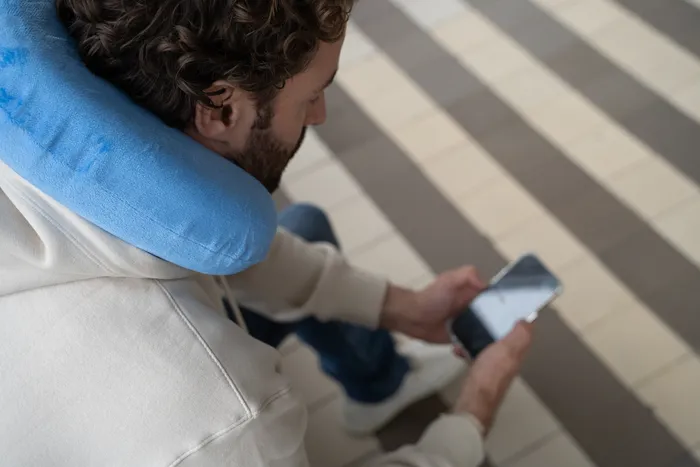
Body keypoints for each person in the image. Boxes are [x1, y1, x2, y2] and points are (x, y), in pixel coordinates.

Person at [0, 1, 533, 466]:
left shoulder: (34, 127)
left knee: (305, 227)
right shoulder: (226, 420)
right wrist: (474, 413)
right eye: (312, 95)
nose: (320, 115)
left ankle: (378, 383)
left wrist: (406, 308)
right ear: (221, 108)